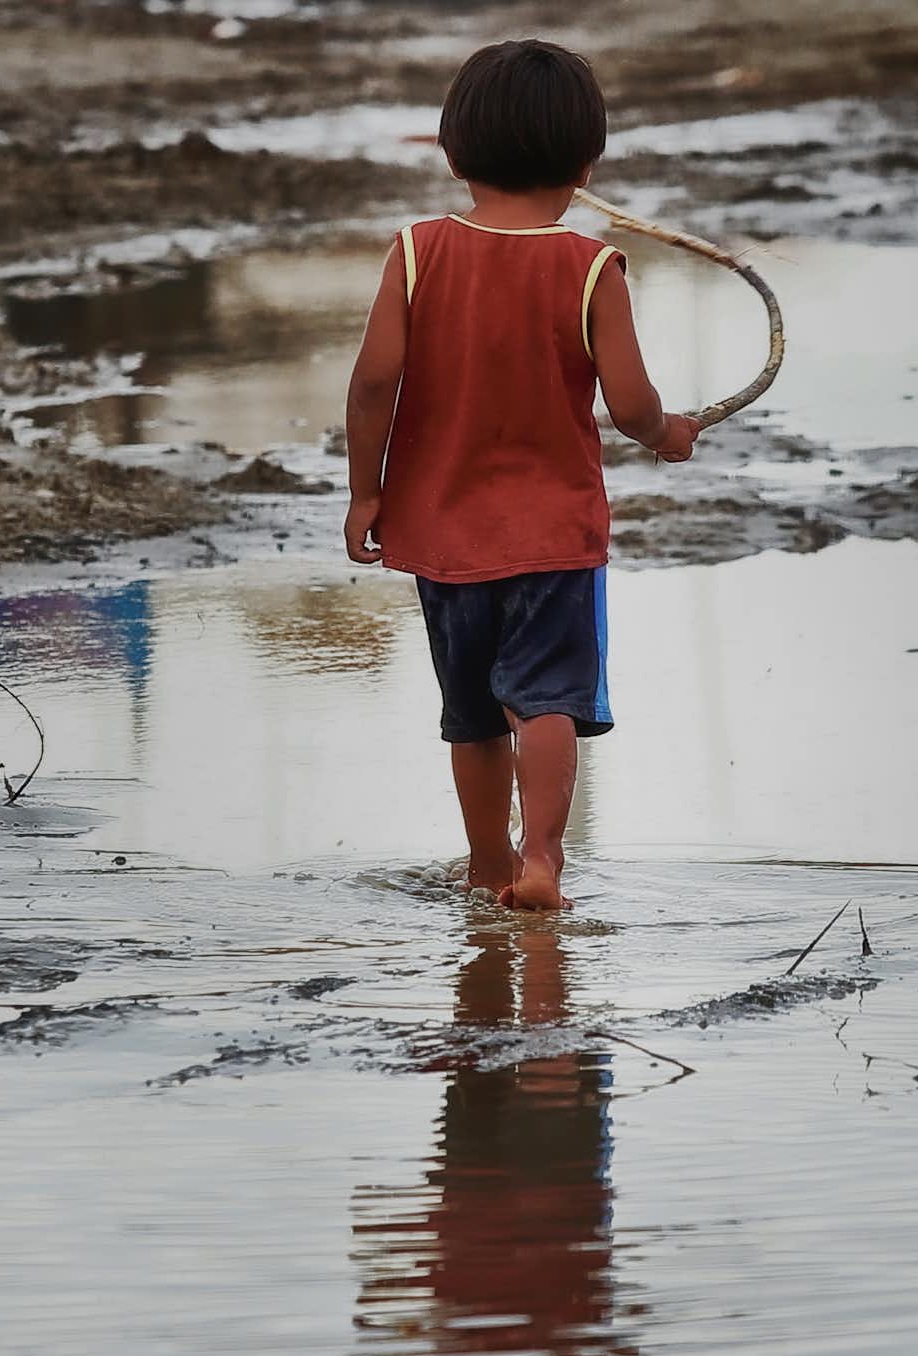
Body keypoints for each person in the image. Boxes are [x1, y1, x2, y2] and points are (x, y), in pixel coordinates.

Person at [342, 38, 698, 912]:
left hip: (441, 534)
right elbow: (630, 402)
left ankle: (484, 864)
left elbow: (373, 382)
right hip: (551, 537)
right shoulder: (590, 267)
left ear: (454, 152)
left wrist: (365, 490)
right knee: (545, 702)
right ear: (586, 163)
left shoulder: (417, 252)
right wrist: (669, 434)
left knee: (469, 714)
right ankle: (542, 862)